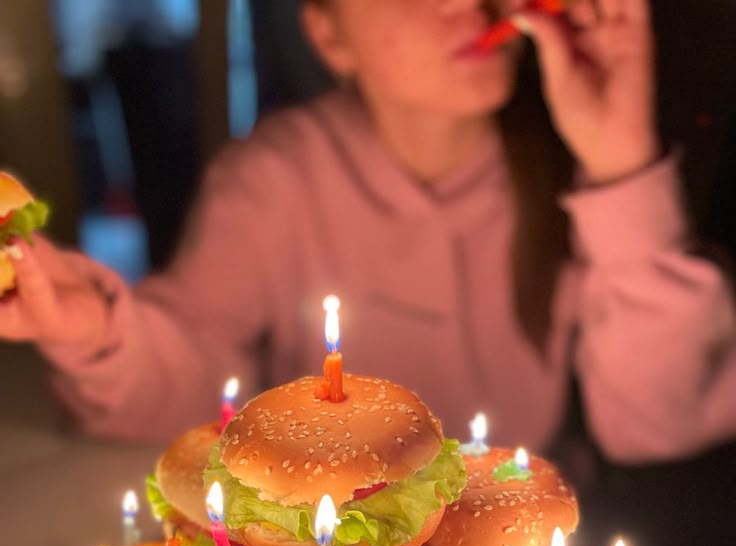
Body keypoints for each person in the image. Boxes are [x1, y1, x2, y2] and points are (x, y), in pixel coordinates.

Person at [1, 0, 735, 457]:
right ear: (328, 35)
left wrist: (622, 163)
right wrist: (95, 329)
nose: (466, 4)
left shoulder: (572, 174)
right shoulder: (277, 177)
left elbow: (657, 426)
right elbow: (191, 383)